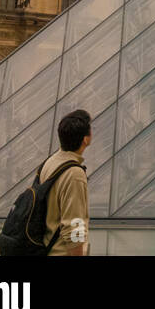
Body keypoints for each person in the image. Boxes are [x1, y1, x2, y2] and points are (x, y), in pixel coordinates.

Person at [39, 110, 91, 256]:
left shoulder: (50, 162)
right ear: (85, 139)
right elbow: (74, 225)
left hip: (46, 247)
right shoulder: (74, 174)